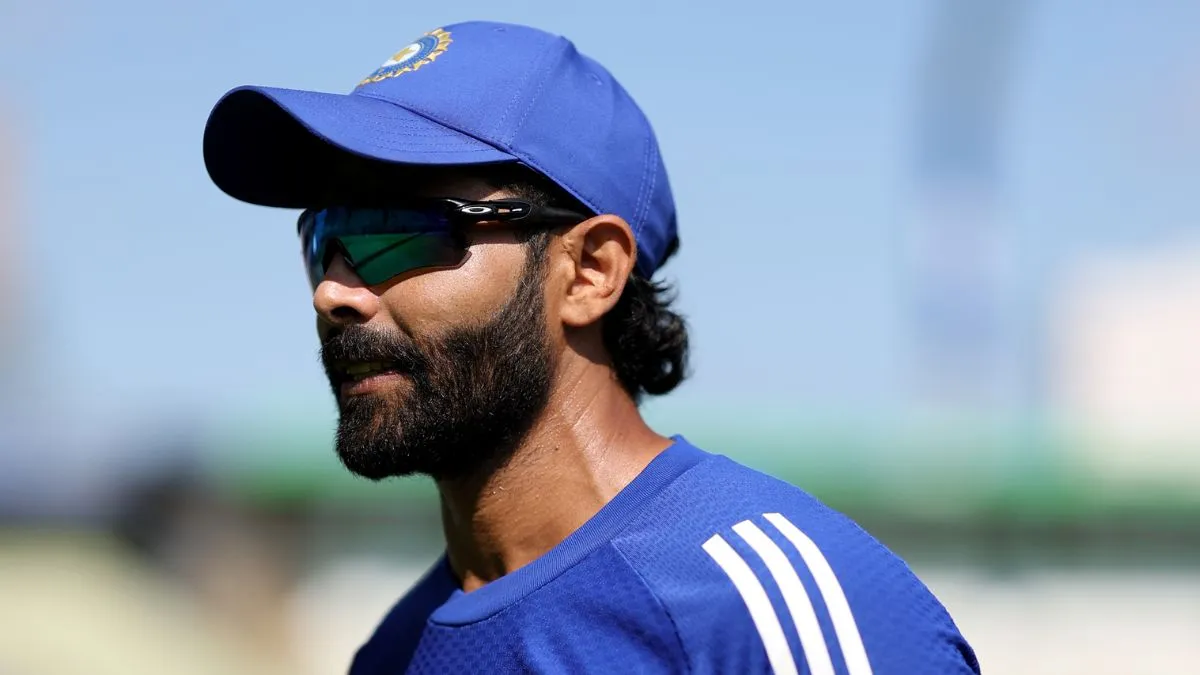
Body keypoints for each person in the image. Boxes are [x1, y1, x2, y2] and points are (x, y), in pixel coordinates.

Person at [203, 20, 980, 675]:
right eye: (326, 237)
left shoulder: (754, 607)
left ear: (590, 272)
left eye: (395, 231)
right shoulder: (391, 655)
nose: (333, 291)